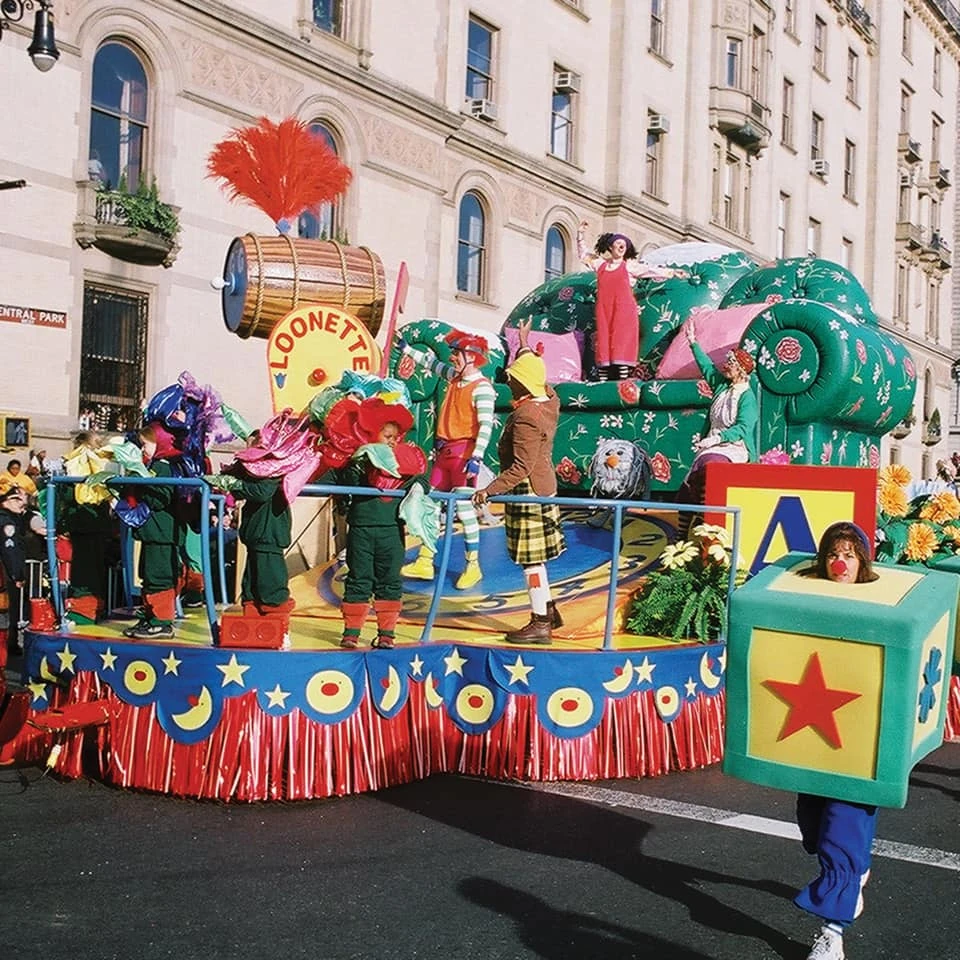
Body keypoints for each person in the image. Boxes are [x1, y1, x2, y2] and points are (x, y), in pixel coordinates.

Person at [795, 521, 879, 960]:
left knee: (841, 832)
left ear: (863, 562)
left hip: (861, 742)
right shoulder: (809, 597)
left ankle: (833, 930)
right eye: (832, 553)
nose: (839, 561)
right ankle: (854, 868)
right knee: (812, 825)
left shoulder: (881, 604)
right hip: (813, 733)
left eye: (849, 553)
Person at [472, 319, 565, 644]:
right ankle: (549, 609)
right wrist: (523, 344)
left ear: (523, 386)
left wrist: (488, 490)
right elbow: (537, 374)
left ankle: (540, 622)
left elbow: (521, 467)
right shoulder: (549, 401)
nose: (508, 382)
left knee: (531, 561)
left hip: (528, 490)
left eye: (512, 379)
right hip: (544, 485)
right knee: (536, 558)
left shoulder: (526, 417)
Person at [397, 328, 496, 589]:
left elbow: (486, 426)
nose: (452, 358)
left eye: (457, 354)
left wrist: (476, 457)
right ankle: (426, 560)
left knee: (464, 509)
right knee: (430, 505)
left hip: (464, 454)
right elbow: (433, 364)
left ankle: (473, 565)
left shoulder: (482, 388)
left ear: (471, 358)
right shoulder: (455, 378)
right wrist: (407, 350)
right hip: (445, 453)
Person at [334, 398, 430, 649]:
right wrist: (355, 465)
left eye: (395, 437)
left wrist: (420, 486)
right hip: (362, 530)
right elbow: (347, 485)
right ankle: (351, 632)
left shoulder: (405, 464)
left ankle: (386, 633)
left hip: (391, 531)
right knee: (358, 578)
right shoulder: (361, 462)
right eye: (387, 435)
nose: (392, 441)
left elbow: (422, 481)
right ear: (372, 434)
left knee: (389, 580)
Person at [676, 317, 758, 537]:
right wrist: (693, 342)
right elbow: (706, 367)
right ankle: (682, 532)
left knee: (710, 465)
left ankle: (706, 516)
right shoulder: (722, 386)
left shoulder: (747, 398)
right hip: (712, 445)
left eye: (730, 364)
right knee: (685, 488)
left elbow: (743, 428)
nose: (725, 366)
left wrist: (718, 438)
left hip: (734, 447)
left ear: (741, 370)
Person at [576, 220, 686, 381]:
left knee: (621, 344)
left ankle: (620, 382)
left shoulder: (629, 266)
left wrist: (673, 272)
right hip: (605, 310)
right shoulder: (600, 265)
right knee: (605, 344)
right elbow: (583, 255)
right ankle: (604, 384)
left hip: (624, 312)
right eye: (618, 244)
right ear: (610, 247)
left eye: (624, 245)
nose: (621, 248)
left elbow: (650, 270)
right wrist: (580, 235)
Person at [123, 423, 185, 639]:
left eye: (145, 445)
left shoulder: (163, 466)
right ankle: (150, 615)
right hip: (153, 533)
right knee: (148, 575)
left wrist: (142, 479)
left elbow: (160, 498)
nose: (142, 450)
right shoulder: (155, 465)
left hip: (162, 534)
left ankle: (162, 620)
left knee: (159, 576)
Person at [0, 486, 29, 664]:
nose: (22, 503)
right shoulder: (6, 522)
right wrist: (17, 575)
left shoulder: (13, 519)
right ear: (5, 502)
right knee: (7, 613)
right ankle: (8, 647)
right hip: (5, 575)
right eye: (17, 500)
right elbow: (10, 551)